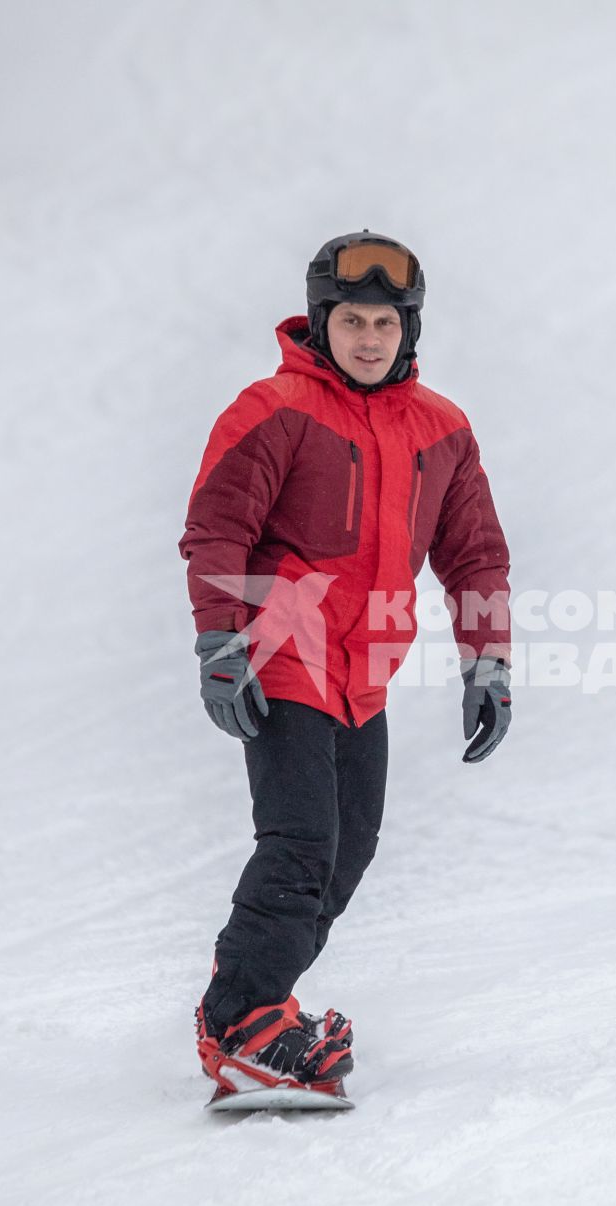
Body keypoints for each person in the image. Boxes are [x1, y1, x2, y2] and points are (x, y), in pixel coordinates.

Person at [179, 231, 513, 1104]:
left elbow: (474, 556)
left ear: (409, 330)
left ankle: (252, 1003)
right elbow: (218, 533)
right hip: (284, 650)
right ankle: (245, 1019)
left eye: (385, 323)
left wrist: (488, 663)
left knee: (348, 851)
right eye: (352, 320)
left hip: (368, 669)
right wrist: (221, 643)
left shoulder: (442, 429)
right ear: (321, 324)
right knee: (300, 843)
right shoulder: (274, 408)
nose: (369, 339)